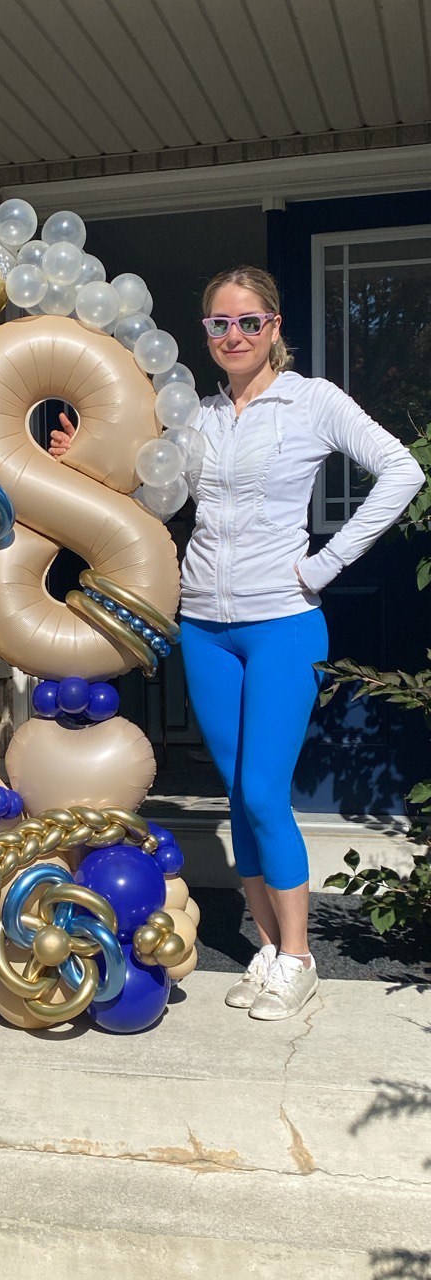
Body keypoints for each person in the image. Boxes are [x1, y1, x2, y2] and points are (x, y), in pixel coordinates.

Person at [50, 265, 425, 1021]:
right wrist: (81, 463)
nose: (234, 336)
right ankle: (267, 944)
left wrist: (326, 561)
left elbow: (401, 469)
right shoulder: (200, 419)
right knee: (239, 801)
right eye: (219, 324)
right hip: (205, 628)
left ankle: (299, 957)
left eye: (248, 322)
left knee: (262, 793)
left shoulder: (312, 401)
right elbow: (158, 489)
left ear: (275, 326)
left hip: (284, 622)